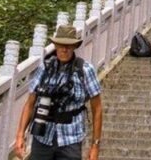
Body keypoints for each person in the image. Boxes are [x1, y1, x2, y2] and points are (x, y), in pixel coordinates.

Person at [13, 25, 102, 160]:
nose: (64, 49)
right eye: (61, 45)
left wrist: (95, 146)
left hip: (71, 138)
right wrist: (20, 136)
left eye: (68, 45)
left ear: (74, 47)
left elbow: (97, 109)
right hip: (42, 136)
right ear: (55, 45)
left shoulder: (85, 70)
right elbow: (30, 103)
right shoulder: (45, 68)